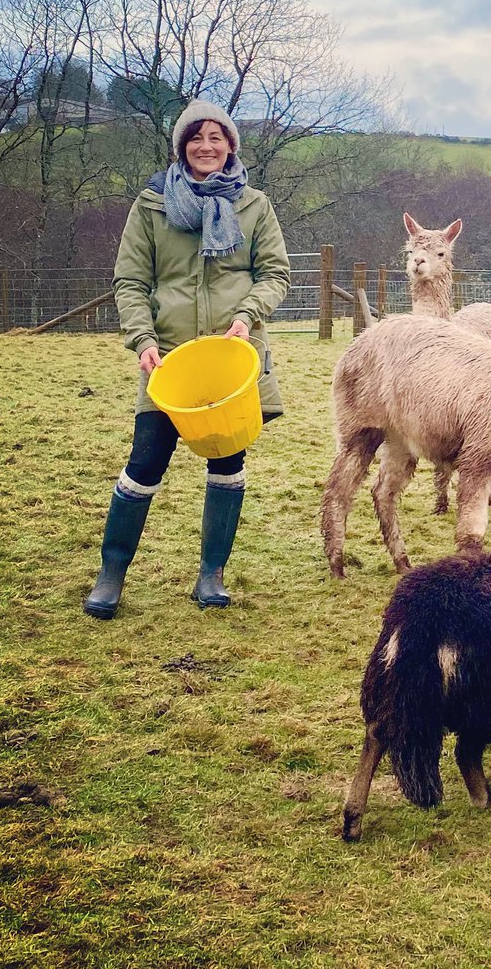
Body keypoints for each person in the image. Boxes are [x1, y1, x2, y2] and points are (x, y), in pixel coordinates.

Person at [83, 99, 291, 619]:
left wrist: (247, 315)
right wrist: (142, 338)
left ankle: (211, 576)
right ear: (182, 146)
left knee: (228, 462)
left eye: (216, 138)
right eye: (196, 138)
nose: (206, 147)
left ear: (230, 147)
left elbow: (275, 274)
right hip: (167, 360)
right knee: (145, 462)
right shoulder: (152, 205)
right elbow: (130, 281)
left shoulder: (254, 205)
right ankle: (111, 575)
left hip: (232, 357)